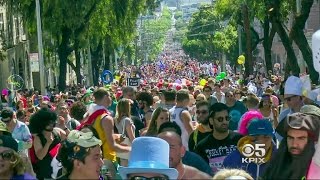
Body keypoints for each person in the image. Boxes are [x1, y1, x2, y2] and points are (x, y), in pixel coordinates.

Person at [79, 88, 129, 178]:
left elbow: (98, 135)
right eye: (110, 96)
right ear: (106, 97)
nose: (111, 99)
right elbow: (112, 146)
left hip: (89, 159)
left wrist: (116, 136)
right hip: (106, 160)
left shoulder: (89, 114)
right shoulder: (106, 118)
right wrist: (131, 149)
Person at [263, 111, 320, 179]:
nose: (294, 144)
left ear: (309, 141)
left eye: (301, 138)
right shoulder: (275, 165)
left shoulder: (316, 166)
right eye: (290, 138)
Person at [195, 103, 242, 174]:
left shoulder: (240, 140)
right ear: (211, 121)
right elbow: (201, 173)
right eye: (220, 119)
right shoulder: (202, 146)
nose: (224, 122)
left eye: (227, 118)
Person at [28, 108, 67, 179]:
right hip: (46, 172)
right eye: (49, 123)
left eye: (52, 122)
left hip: (59, 170)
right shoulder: (38, 138)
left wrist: (64, 127)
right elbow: (40, 156)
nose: (51, 124)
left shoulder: (57, 131)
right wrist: (48, 143)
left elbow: (70, 138)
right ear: (42, 124)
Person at [276, 76, 304, 142]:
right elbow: (280, 138)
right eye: (285, 99)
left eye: (289, 99)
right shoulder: (284, 116)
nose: (286, 102)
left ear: (298, 96)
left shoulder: (312, 111)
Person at [114, 98, 135, 166]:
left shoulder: (116, 120)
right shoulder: (127, 120)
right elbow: (131, 137)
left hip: (121, 145)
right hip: (128, 148)